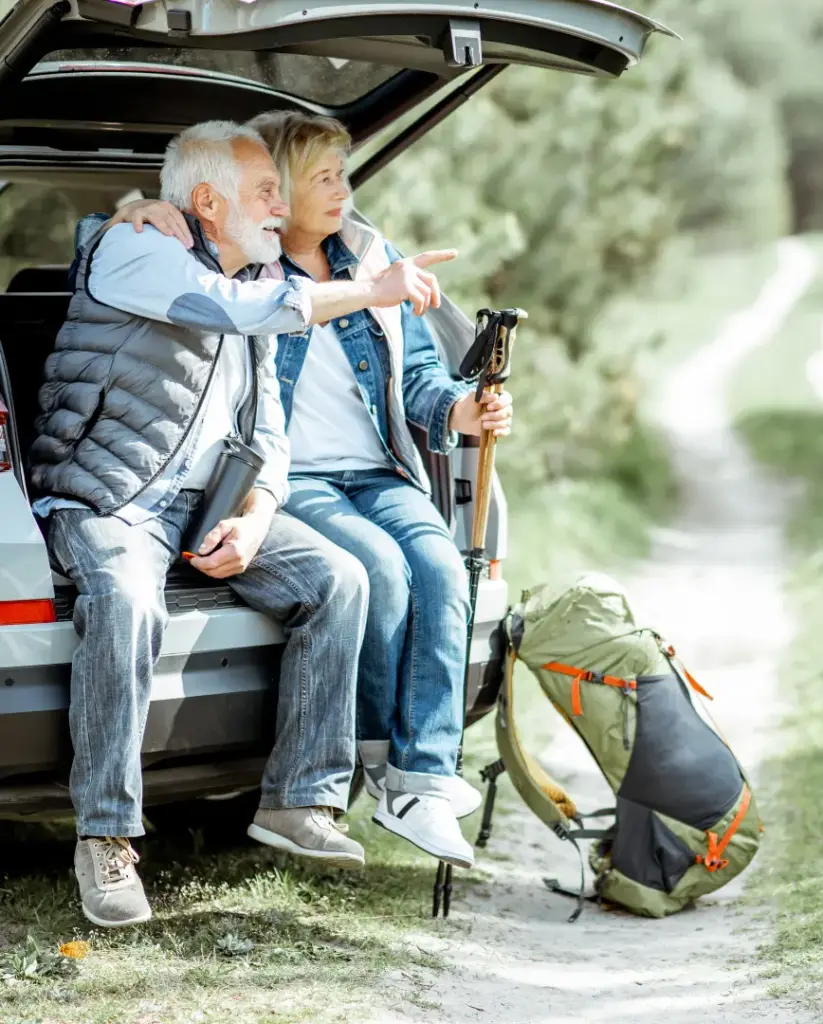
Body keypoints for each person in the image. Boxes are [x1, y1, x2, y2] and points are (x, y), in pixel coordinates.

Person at [33, 119, 456, 928]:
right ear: (206, 201)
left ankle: (299, 799)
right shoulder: (138, 251)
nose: (280, 207)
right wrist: (371, 290)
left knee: (339, 579)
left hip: (209, 504)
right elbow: (235, 309)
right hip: (112, 496)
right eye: (265, 192)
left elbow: (268, 430)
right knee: (129, 603)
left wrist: (259, 512)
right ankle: (106, 838)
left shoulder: (256, 273)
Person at [111, 111, 513, 870]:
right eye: (321, 177)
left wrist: (463, 409)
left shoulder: (371, 257)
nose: (342, 191)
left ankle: (425, 779)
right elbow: (122, 250)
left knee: (440, 565)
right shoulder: (244, 265)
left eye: (343, 175)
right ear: (280, 191)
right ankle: (378, 758)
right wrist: (129, 211)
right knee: (381, 571)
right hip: (293, 478)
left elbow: (419, 374)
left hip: (381, 469)